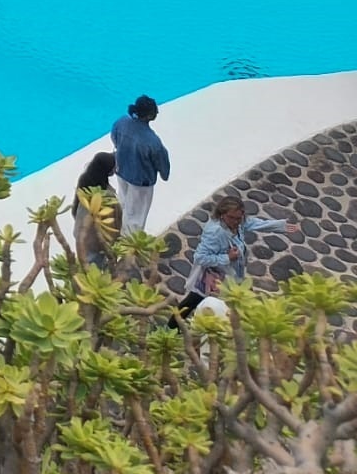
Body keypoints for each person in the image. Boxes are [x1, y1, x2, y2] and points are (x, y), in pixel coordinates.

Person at [180, 195, 302, 317]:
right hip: (216, 277)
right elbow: (200, 257)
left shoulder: (238, 223)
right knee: (196, 300)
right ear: (222, 214)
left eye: (238, 218)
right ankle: (174, 323)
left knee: (195, 300)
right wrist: (227, 257)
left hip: (231, 274)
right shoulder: (216, 232)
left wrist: (280, 226)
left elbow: (254, 223)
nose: (235, 221)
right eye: (231, 218)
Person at [111, 95, 170, 233]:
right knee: (136, 216)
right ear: (149, 115)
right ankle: (129, 242)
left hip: (121, 171)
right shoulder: (152, 141)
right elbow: (162, 165)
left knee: (123, 202)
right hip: (140, 182)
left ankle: (117, 230)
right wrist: (164, 174)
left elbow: (114, 138)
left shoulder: (121, 122)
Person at [71, 151, 119, 265]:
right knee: (96, 265)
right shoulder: (105, 196)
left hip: (80, 233)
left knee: (86, 261)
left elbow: (74, 209)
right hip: (96, 241)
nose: (115, 170)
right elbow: (113, 221)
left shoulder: (85, 180)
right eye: (112, 168)